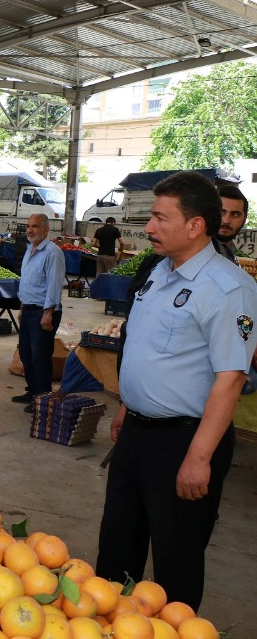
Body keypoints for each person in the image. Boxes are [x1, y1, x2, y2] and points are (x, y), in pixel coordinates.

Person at [96, 171, 257, 611]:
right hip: (137, 435)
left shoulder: (230, 290)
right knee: (115, 549)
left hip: (185, 441)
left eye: (159, 218)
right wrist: (129, 406)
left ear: (195, 226)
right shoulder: (159, 273)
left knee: (176, 559)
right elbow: (148, 349)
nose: (148, 227)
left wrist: (199, 458)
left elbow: (231, 377)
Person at [12, 213, 65, 411]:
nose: (30, 230)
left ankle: (42, 399)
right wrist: (22, 307)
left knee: (40, 357)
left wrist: (48, 313)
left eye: (35, 226)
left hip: (43, 312)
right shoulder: (30, 250)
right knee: (26, 354)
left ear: (45, 229)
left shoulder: (53, 252)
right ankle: (32, 391)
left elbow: (54, 285)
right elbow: (28, 282)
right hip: (29, 310)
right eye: (28, 226)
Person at [214, 184, 247, 261]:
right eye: (221, 212)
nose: (226, 221)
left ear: (244, 219)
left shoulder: (230, 249)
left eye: (235, 214)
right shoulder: (195, 249)